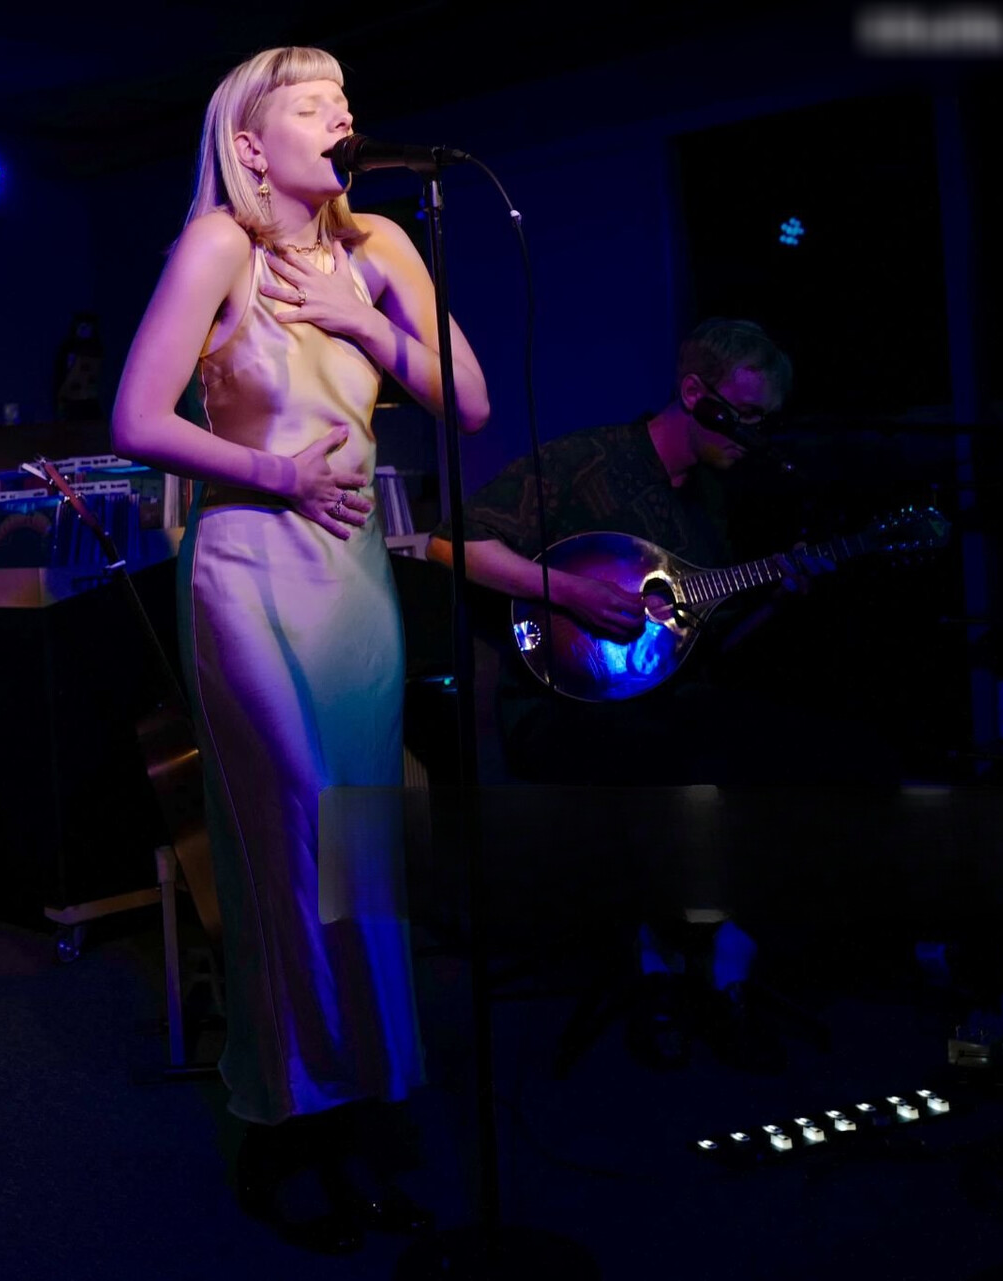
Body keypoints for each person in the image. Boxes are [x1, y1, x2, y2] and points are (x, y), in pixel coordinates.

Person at [112, 46, 489, 1254]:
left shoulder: (381, 244)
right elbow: (136, 419)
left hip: (354, 584)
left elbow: (469, 402)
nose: (343, 119)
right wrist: (275, 475)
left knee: (361, 849)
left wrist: (367, 324)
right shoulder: (219, 246)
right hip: (250, 574)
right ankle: (286, 1122)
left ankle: (364, 1101)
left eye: (346, 103)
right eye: (313, 105)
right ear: (251, 145)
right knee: (287, 847)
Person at [431, 318, 875, 1071]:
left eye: (767, 420)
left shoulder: (711, 499)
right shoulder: (587, 460)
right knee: (681, 764)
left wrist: (779, 594)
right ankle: (665, 960)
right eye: (745, 415)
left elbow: (700, 642)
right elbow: (451, 542)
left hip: (667, 700)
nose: (756, 436)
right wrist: (567, 589)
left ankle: (726, 949)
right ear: (694, 393)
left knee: (835, 754)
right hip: (558, 709)